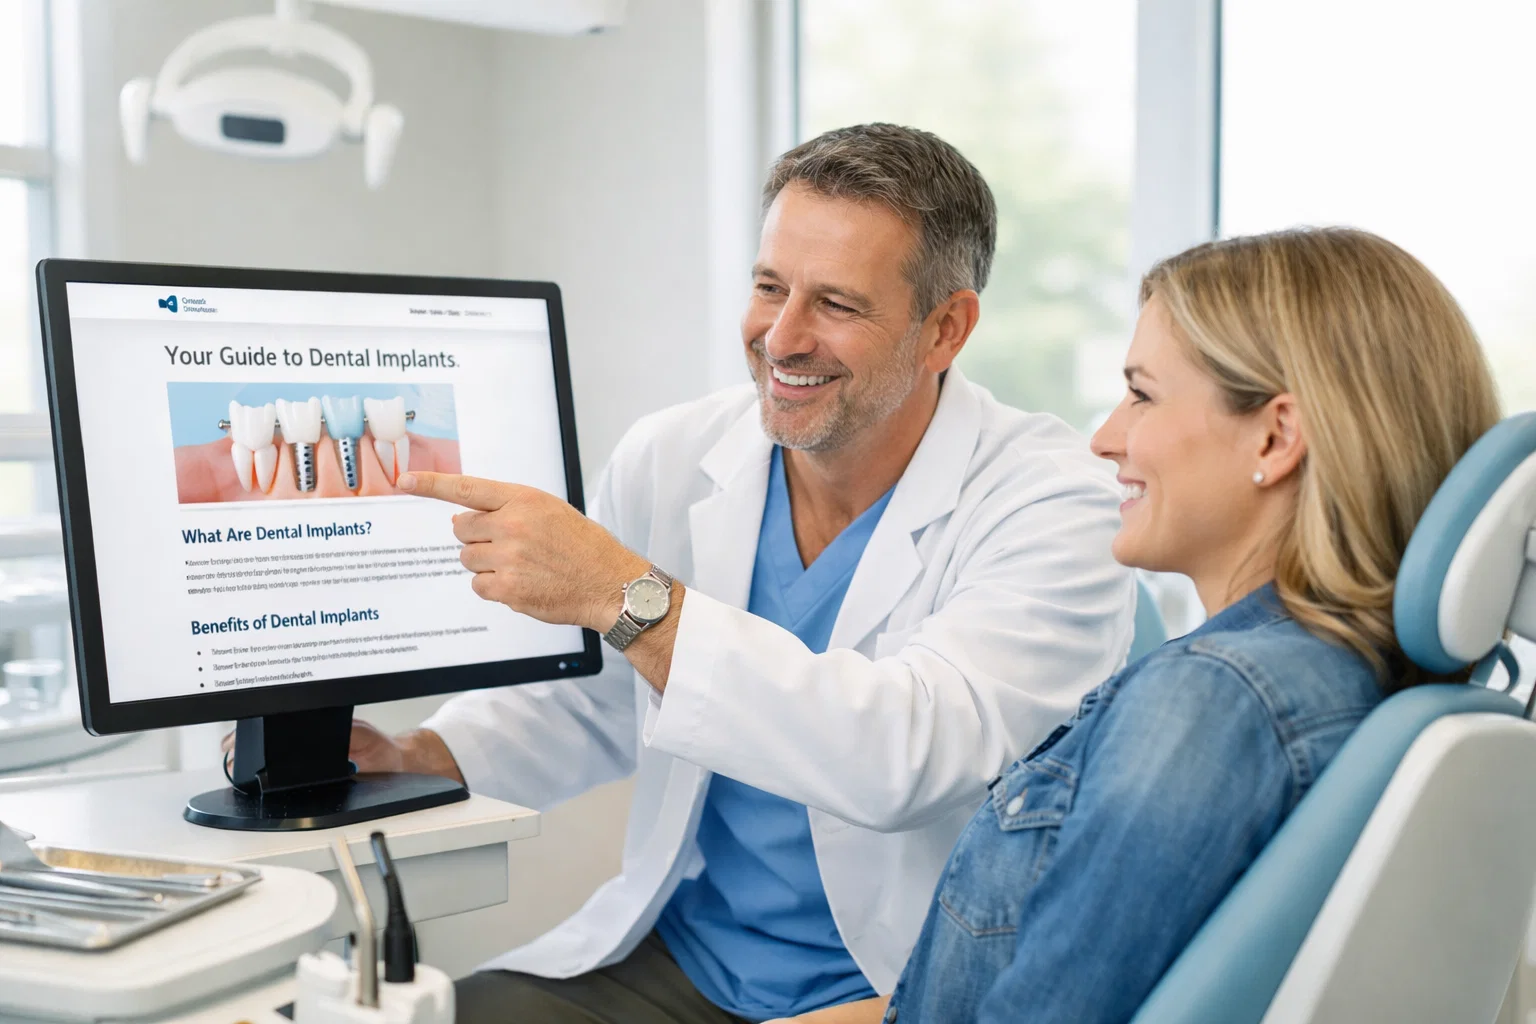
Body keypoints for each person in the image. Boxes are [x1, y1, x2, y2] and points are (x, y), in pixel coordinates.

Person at [341, 124, 1135, 1022]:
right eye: (769, 287)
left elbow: (904, 759)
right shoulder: (674, 454)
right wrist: (419, 759)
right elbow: (601, 701)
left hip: (903, 985)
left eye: (837, 304)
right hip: (684, 962)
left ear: (944, 328)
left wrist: (621, 593)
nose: (781, 338)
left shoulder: (1054, 504)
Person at [765, 227, 1502, 1023]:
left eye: (1142, 394)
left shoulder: (1211, 704)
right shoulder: (1347, 677)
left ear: (1275, 436)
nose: (1105, 437)